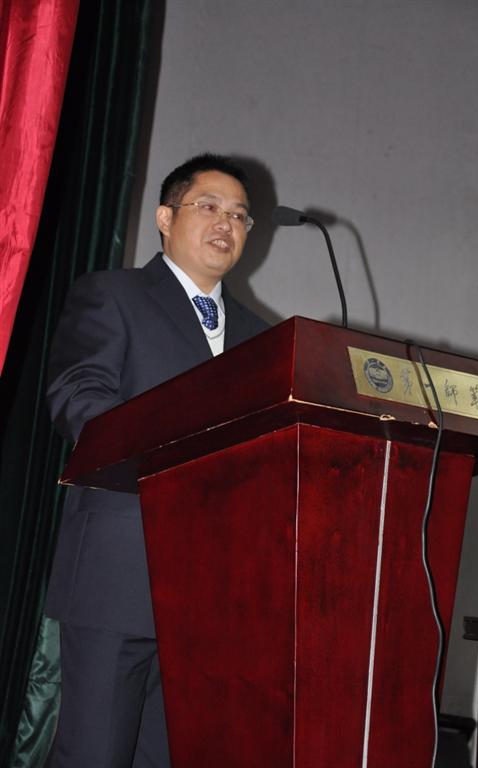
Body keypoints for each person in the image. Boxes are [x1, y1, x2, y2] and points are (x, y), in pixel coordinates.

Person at [45, 153, 269, 767]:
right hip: (121, 576)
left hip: (214, 596)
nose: (226, 223)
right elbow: (79, 399)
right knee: (95, 756)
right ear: (165, 218)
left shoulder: (263, 338)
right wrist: (180, 452)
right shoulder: (112, 295)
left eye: (240, 216)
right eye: (209, 206)